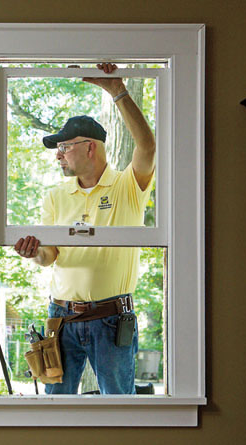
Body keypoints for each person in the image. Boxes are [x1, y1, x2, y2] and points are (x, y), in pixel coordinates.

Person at [15, 63, 156, 394]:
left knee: (119, 408)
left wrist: (116, 90)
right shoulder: (56, 196)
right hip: (61, 319)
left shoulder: (126, 187)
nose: (58, 156)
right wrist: (34, 253)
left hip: (111, 319)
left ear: (90, 147)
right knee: (55, 408)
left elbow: (147, 147)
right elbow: (49, 256)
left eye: (64, 147)